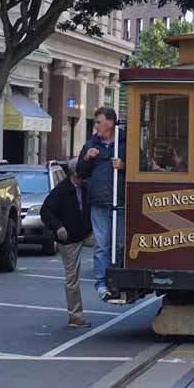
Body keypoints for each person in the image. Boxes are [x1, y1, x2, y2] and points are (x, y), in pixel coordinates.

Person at [77, 106, 125, 300]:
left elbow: (142, 167)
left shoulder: (124, 144)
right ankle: (102, 283)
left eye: (98, 122)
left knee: (120, 244)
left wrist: (124, 166)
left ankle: (118, 280)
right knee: (102, 245)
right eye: (95, 122)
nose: (95, 126)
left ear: (110, 123)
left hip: (120, 201)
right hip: (99, 202)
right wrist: (87, 159)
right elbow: (80, 172)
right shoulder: (90, 145)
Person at [40, 159, 94, 328]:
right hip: (69, 238)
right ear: (75, 174)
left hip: (85, 233)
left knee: (106, 242)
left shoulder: (85, 187)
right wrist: (58, 227)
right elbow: (45, 211)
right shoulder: (61, 190)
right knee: (72, 278)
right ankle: (75, 315)